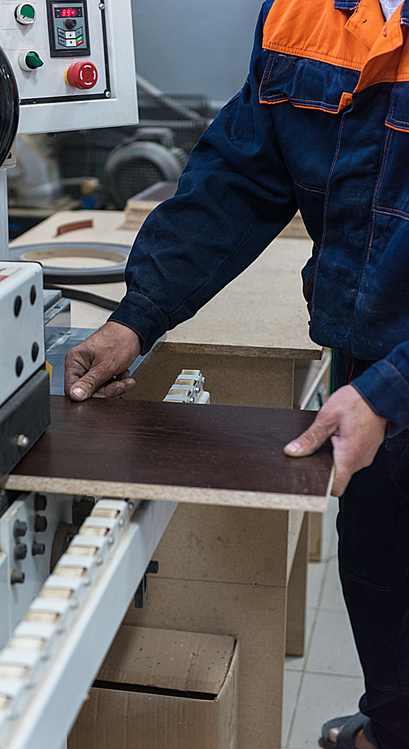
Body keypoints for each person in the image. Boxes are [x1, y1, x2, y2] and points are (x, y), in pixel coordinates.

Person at [65, 0, 409, 746]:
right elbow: (242, 176)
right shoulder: (300, 11)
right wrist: (138, 315)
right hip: (368, 367)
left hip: (390, 378)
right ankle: (393, 721)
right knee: (380, 560)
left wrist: (392, 389)